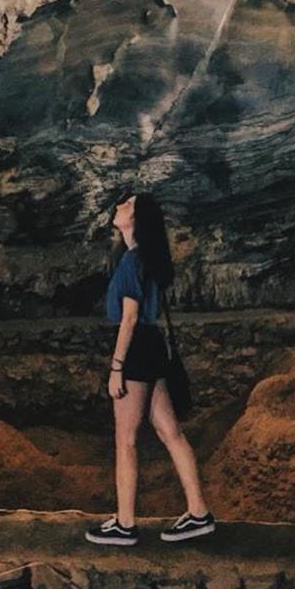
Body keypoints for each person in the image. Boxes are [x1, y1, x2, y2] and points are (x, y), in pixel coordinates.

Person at [85, 191, 216, 546]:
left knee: (125, 439)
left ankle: (125, 524)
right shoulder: (148, 259)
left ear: (136, 219)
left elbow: (128, 319)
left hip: (136, 349)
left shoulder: (132, 261)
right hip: (153, 345)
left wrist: (116, 367)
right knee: (171, 432)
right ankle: (199, 513)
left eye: (125, 205)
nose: (117, 208)